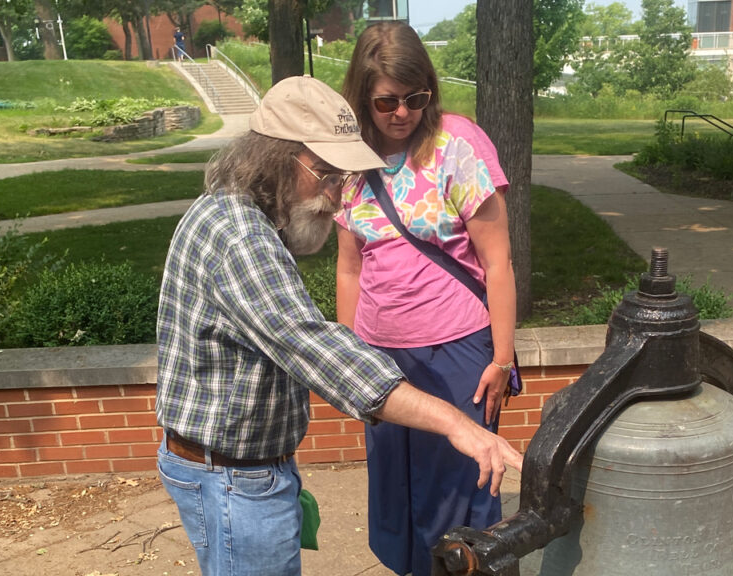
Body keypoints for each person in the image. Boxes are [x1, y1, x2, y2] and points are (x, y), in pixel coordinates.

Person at [154, 75, 522, 576]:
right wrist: (459, 425)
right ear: (282, 160)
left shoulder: (238, 213)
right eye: (329, 174)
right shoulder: (241, 238)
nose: (337, 195)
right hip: (233, 482)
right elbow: (318, 351)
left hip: (241, 468)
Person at [337, 22, 517, 576]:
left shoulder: (457, 144)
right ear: (364, 98)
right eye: (387, 101)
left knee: (460, 488)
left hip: (458, 350)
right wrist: (349, 357)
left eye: (416, 98)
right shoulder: (347, 157)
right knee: (395, 490)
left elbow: (498, 263)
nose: (402, 113)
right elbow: (348, 268)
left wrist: (502, 358)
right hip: (381, 354)